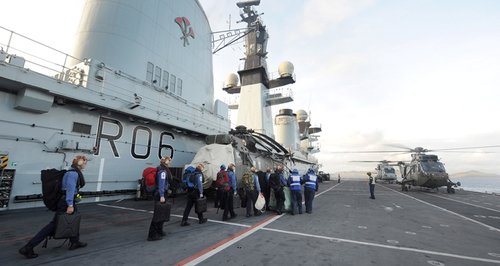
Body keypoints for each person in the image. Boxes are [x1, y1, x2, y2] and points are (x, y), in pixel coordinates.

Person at [19, 155, 88, 259]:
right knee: (53, 226)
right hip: (66, 202)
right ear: (80, 163)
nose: (85, 165)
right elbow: (69, 189)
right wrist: (70, 204)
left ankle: (75, 241)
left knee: (74, 221)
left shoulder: (72, 172)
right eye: (85, 162)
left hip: (68, 201)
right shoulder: (73, 174)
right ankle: (28, 247)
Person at [147, 156, 171, 241]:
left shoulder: (161, 169)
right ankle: (152, 235)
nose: (169, 161)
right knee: (158, 214)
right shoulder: (162, 171)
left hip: (162, 193)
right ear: (165, 162)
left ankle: (159, 230)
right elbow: (161, 184)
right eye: (168, 160)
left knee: (162, 213)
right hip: (161, 194)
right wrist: (162, 195)